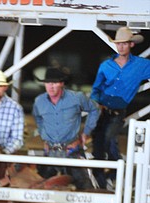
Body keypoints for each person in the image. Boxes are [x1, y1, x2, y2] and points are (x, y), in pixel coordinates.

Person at [91, 27, 150, 189]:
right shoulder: (106, 65)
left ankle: (116, 172)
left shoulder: (141, 65)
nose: (121, 47)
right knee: (97, 146)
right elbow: (96, 89)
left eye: (124, 44)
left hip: (117, 111)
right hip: (101, 109)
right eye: (119, 44)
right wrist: (94, 105)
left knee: (109, 138)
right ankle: (102, 183)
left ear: (131, 44)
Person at [32, 67, 100, 190]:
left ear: (62, 83)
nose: (51, 86)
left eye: (55, 83)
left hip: (71, 151)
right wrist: (44, 134)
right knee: (38, 189)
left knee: (85, 189)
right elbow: (38, 118)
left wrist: (86, 132)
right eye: (48, 83)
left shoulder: (76, 97)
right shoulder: (39, 101)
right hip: (50, 151)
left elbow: (94, 109)